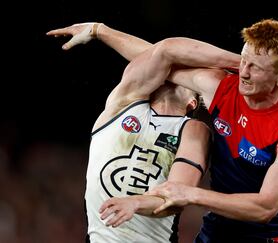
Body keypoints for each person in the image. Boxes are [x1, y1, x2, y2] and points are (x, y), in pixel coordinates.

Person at [48, 18, 278, 243]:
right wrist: (98, 30)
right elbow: (162, 54)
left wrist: (192, 194)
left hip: (266, 236)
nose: (243, 72)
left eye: (255, 67)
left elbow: (265, 208)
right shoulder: (223, 88)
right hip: (217, 227)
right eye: (244, 61)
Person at [47, 25, 212, 243]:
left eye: (183, 78)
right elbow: (163, 54)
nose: (173, 76)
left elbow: (177, 197)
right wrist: (98, 29)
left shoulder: (193, 129)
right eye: (171, 73)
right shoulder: (123, 104)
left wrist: (135, 203)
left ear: (192, 102)